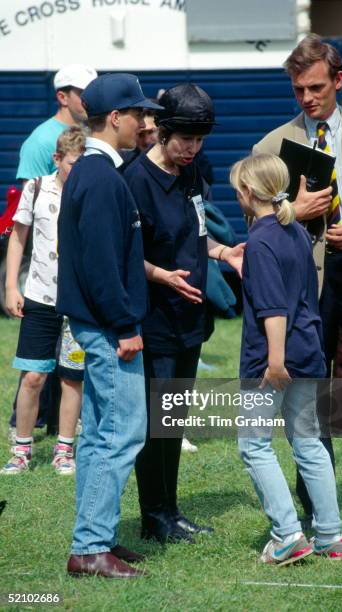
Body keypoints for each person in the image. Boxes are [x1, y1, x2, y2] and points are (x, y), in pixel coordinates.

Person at [253, 34, 342, 527]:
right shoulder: (271, 146)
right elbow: (257, 219)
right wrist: (293, 211)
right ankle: (319, 508)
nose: (307, 98)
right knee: (309, 401)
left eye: (316, 87)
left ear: (339, 81)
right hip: (303, 290)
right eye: (298, 90)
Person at [124, 83, 244, 543]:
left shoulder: (192, 174)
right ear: (161, 131)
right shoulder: (134, 181)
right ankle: (153, 514)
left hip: (189, 319)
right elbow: (119, 254)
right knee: (156, 423)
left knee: (173, 420)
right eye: (184, 139)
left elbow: (193, 236)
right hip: (154, 320)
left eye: (200, 140)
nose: (192, 148)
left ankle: (169, 511)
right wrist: (161, 277)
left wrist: (221, 254)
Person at [57, 73, 163, 579]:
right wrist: (124, 325)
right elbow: (100, 263)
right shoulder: (101, 178)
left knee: (100, 434)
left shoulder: (95, 173)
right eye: (138, 113)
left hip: (94, 323)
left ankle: (97, 538)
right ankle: (91, 546)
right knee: (121, 434)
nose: (146, 122)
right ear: (115, 118)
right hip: (107, 327)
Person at [231, 153, 342, 565]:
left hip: (273, 362)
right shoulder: (295, 230)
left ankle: (287, 535)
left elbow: (273, 309)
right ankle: (331, 535)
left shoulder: (262, 241)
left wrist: (275, 362)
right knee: (308, 442)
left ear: (248, 193)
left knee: (255, 446)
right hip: (309, 350)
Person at [0, 127, 86, 476]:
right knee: (33, 376)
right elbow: (18, 239)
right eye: (70, 165)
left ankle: (64, 450)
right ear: (56, 159)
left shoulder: (89, 192)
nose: (75, 172)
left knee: (72, 377)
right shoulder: (36, 188)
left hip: (77, 302)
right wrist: (10, 287)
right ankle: (21, 449)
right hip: (39, 297)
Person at [17, 64, 97, 182]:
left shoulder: (97, 131)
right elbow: (32, 196)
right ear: (62, 97)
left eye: (93, 93)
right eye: (83, 93)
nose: (91, 99)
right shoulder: (40, 142)